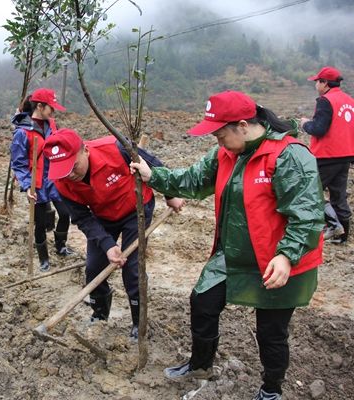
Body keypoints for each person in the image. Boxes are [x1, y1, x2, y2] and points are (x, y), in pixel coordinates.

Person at [130, 91, 324, 400]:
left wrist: (287, 256)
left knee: (271, 332)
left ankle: (271, 389)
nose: (218, 142)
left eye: (221, 134)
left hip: (276, 260)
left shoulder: (289, 155)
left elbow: (307, 215)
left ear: (243, 126)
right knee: (202, 303)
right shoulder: (225, 155)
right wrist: (154, 175)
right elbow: (193, 180)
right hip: (232, 254)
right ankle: (200, 363)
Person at [43, 128, 184, 339]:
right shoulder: (61, 181)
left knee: (133, 271)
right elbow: (82, 217)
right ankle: (100, 313)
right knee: (93, 268)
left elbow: (154, 165)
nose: (70, 174)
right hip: (102, 217)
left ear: (85, 150)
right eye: (63, 169)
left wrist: (170, 194)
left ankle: (139, 321)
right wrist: (107, 244)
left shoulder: (115, 148)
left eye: (73, 166)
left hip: (136, 209)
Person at [10, 88, 74, 272]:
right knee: (39, 222)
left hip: (55, 178)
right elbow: (19, 163)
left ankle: (61, 246)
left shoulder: (51, 125)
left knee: (65, 213)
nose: (53, 112)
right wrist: (26, 185)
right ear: (39, 106)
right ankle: (43, 258)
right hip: (36, 183)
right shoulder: (22, 132)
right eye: (51, 108)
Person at [300, 66, 354, 244]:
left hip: (326, 155)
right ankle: (343, 236)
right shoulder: (349, 100)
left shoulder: (325, 100)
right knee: (338, 195)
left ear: (324, 83)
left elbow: (319, 129)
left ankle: (332, 225)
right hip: (346, 154)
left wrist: (305, 124)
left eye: (317, 81)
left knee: (309, 191)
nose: (316, 84)